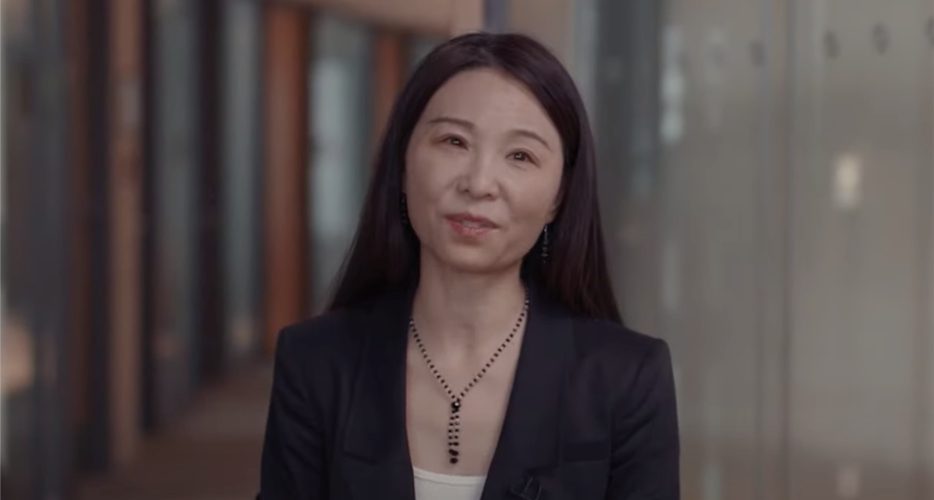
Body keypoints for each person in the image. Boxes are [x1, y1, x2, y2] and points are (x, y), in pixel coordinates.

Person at [257, 32, 679, 500]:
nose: (479, 184)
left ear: (559, 197)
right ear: (403, 165)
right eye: (453, 141)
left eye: (520, 156)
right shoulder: (315, 361)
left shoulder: (627, 379)